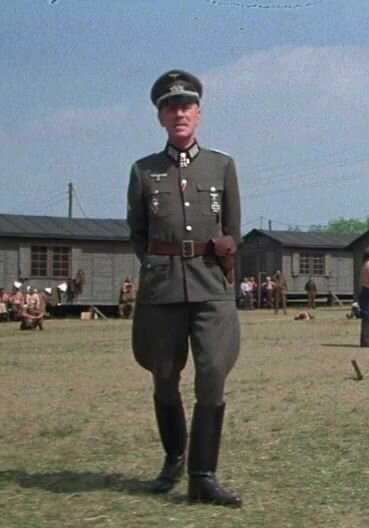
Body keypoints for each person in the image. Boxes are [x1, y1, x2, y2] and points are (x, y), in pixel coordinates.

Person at [127, 69, 242, 506]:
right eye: (170, 107)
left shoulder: (221, 166)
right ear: (160, 117)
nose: (179, 113)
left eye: (186, 106)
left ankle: (202, 476)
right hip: (163, 289)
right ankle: (174, 456)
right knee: (163, 374)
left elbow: (233, 228)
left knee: (213, 371)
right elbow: (138, 233)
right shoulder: (143, 171)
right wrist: (160, 265)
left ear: (198, 113)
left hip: (211, 284)